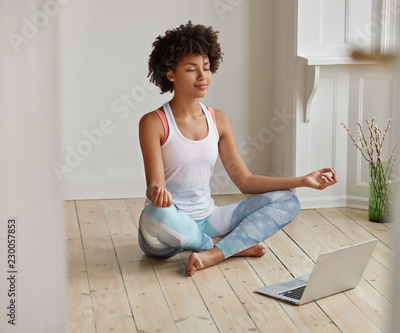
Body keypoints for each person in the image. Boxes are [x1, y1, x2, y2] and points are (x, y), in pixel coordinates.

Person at [138, 21, 337, 276]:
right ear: (171, 73)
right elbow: (154, 185)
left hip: (208, 219)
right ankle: (228, 246)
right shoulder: (153, 122)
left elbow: (245, 180)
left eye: (207, 68)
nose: (202, 77)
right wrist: (157, 192)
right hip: (168, 227)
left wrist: (303, 180)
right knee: (155, 215)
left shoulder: (218, 119)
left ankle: (213, 253)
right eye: (191, 69)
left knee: (289, 200)